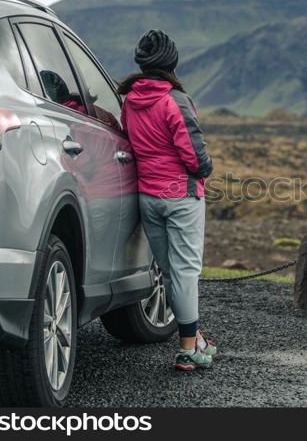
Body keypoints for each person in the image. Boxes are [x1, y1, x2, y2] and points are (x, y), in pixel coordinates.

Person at [117, 29, 216, 371]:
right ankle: (188, 350)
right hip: (181, 197)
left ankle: (196, 337)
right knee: (186, 271)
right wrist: (206, 170)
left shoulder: (129, 100)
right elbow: (193, 154)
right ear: (172, 62)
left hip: (148, 198)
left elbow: (129, 139)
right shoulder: (175, 100)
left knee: (171, 273)